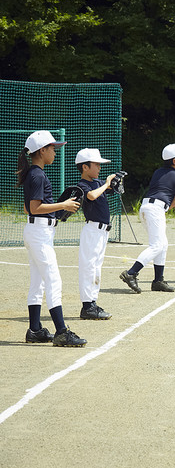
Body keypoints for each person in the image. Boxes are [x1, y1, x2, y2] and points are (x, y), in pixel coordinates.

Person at [17, 130, 87, 347]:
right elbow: (34, 208)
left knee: (38, 282)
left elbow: (34, 208)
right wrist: (63, 205)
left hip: (38, 232)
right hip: (39, 233)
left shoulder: (35, 173)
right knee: (53, 280)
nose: (55, 152)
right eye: (53, 148)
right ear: (42, 150)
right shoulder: (37, 174)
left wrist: (58, 211)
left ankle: (35, 329)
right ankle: (61, 331)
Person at [119, 143, 175, 294]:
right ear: (174, 161)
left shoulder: (158, 172)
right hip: (156, 209)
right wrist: (169, 207)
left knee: (162, 244)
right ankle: (131, 273)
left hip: (146, 207)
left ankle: (158, 280)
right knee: (157, 245)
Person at [76, 148, 117, 320]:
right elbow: (92, 196)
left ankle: (92, 302)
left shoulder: (97, 182)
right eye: (96, 165)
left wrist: (115, 183)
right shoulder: (83, 185)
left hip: (102, 232)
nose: (99, 168)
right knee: (89, 267)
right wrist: (106, 184)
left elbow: (110, 189)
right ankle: (87, 305)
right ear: (85, 167)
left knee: (96, 268)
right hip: (92, 230)